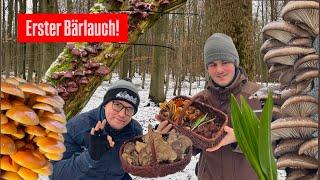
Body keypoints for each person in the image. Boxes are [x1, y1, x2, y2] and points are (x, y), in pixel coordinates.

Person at [156, 33, 262, 180]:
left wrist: (241, 137)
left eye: (225, 62)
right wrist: (170, 139)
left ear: (235, 62)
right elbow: (192, 147)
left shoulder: (258, 96)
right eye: (212, 64)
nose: (219, 70)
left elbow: (278, 140)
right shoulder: (200, 101)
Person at [51, 78, 142, 180]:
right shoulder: (77, 126)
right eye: (117, 105)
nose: (122, 114)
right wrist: (90, 156)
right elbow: (55, 174)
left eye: (129, 109)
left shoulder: (135, 131)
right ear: (105, 104)